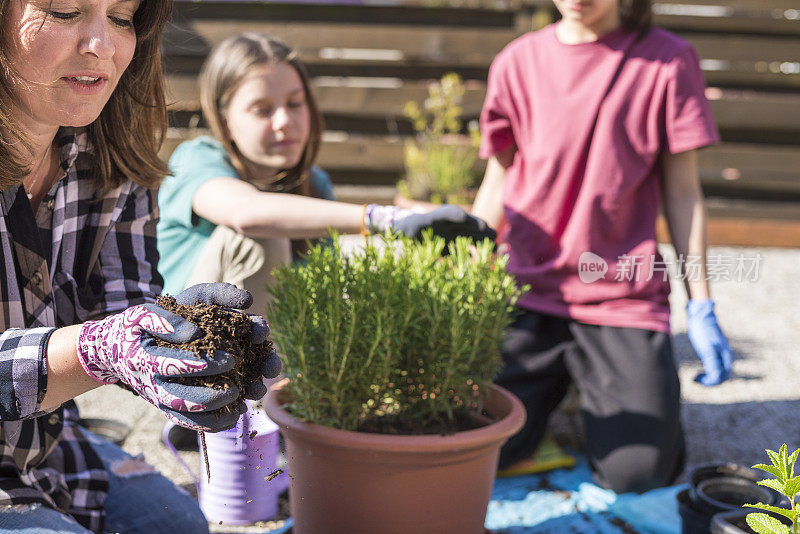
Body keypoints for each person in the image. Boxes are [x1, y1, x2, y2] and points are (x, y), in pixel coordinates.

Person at [0, 2, 280, 533]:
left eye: (123, 18)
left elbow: (124, 306)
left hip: (46, 454)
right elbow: (104, 342)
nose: (101, 44)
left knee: (181, 526)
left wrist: (183, 335)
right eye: (64, 11)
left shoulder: (108, 156)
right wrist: (99, 349)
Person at [471, 0, 733, 493]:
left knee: (638, 473)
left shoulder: (668, 61)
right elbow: (498, 182)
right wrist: (465, 275)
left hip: (620, 300)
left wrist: (702, 302)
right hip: (525, 293)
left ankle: (593, 402)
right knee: (469, 442)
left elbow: (683, 193)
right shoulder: (517, 60)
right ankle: (551, 409)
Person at [157, 32, 495, 317]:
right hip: (186, 350)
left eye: (294, 104)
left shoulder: (314, 183)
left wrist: (413, 230)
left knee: (380, 253)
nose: (284, 121)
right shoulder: (196, 159)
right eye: (262, 110)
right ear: (225, 119)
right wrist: (386, 218)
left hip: (275, 350)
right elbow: (246, 213)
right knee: (261, 235)